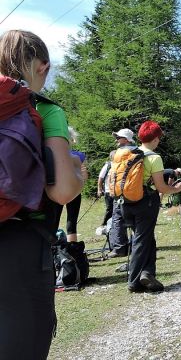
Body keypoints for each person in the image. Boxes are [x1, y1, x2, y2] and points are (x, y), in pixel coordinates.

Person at [0, 29, 85, 359]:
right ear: (42, 67)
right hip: (21, 249)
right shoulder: (46, 111)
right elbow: (62, 190)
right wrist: (78, 173)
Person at [122, 120, 181, 293]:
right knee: (141, 240)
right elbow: (161, 187)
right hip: (145, 202)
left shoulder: (130, 153)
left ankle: (147, 273)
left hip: (125, 203)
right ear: (155, 138)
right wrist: (175, 189)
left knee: (145, 238)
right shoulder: (154, 158)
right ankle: (134, 281)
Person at [107, 128, 136, 259]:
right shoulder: (138, 151)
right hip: (135, 191)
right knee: (136, 220)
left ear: (126, 139)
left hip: (121, 192)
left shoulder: (119, 154)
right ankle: (139, 245)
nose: (116, 140)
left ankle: (119, 248)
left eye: (118, 138)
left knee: (118, 219)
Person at [54, 126, 86, 242]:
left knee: (54, 221)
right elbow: (84, 177)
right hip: (74, 191)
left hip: (56, 191)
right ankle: (73, 250)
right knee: (72, 222)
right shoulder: (79, 156)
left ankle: (53, 251)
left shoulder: (54, 154)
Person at [97, 151, 116, 232]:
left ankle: (115, 224)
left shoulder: (121, 165)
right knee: (110, 208)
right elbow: (100, 178)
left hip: (118, 191)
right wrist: (99, 189)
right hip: (108, 191)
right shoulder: (108, 166)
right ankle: (104, 224)